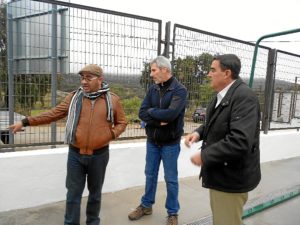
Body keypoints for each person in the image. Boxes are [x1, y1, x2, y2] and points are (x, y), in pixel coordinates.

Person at [9, 64, 127, 225]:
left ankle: (93, 222)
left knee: (95, 194)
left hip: (99, 155)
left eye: (88, 78)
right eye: (82, 78)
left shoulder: (112, 100)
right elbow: (53, 114)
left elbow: (122, 122)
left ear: (100, 79)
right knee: (73, 195)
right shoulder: (74, 98)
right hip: (75, 155)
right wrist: (26, 121)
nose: (84, 82)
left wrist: (111, 134)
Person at [184, 54, 261, 225]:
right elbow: (214, 124)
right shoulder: (220, 96)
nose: (208, 74)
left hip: (231, 180)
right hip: (221, 174)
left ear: (226, 73)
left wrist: (204, 156)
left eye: (212, 70)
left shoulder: (244, 97)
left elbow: (240, 141)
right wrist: (197, 133)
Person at [128, 56, 187, 225]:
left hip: (170, 143)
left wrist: (151, 113)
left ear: (164, 70)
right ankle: (146, 206)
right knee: (150, 175)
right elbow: (142, 112)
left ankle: (173, 212)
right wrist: (155, 116)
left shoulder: (179, 90)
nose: (151, 74)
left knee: (171, 179)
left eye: (153, 70)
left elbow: (170, 115)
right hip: (152, 142)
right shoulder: (153, 89)